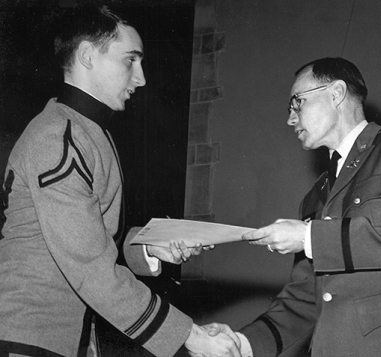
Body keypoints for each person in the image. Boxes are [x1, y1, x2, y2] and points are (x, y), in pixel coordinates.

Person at [0, 5, 240, 357]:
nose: (140, 78)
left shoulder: (87, 132)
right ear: (86, 56)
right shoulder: (59, 138)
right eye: (131, 60)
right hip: (33, 339)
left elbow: (88, 237)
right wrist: (190, 335)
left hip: (67, 339)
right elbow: (89, 266)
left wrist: (148, 247)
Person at [207, 57, 381, 356]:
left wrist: (308, 237)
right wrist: (242, 344)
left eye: (298, 103)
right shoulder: (315, 196)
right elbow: (306, 299)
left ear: (335, 93)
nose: (290, 119)